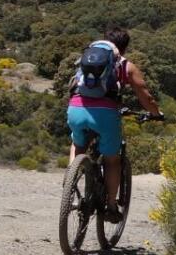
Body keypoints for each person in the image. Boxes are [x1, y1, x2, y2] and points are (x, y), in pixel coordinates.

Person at [65, 27, 159, 222]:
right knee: (112, 160)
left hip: (76, 108)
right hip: (105, 115)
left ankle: (70, 182)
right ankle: (110, 205)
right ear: (124, 48)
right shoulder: (125, 65)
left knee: (77, 142)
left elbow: (73, 85)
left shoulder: (86, 59)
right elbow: (145, 94)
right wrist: (155, 113)